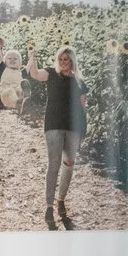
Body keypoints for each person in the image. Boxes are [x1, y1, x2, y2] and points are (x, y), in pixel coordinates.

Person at [27, 41, 89, 229]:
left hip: (73, 127)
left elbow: (83, 106)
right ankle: (49, 205)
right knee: (53, 164)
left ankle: (61, 199)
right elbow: (35, 75)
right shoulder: (51, 73)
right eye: (61, 59)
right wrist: (32, 57)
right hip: (53, 124)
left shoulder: (79, 81)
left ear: (72, 61)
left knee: (69, 164)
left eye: (66, 59)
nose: (63, 62)